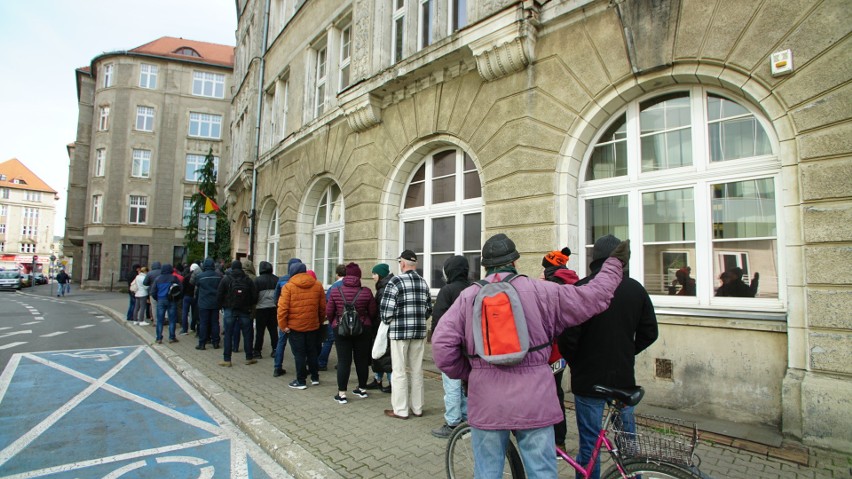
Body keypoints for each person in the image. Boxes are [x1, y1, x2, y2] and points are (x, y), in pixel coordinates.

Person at [432, 233, 628, 478]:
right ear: (514, 262)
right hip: (535, 401)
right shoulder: (543, 290)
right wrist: (614, 264)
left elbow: (441, 347)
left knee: (487, 472)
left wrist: (471, 372)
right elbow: (595, 297)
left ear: (485, 266)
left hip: (486, 400)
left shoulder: (467, 298)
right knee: (541, 472)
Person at [557, 234, 658, 479]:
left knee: (590, 444)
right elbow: (650, 332)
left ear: (595, 259)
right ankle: (633, 475)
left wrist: (578, 361)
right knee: (627, 442)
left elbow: (567, 337)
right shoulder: (635, 289)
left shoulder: (582, 288)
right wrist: (626, 350)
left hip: (588, 380)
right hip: (623, 379)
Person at [379, 250, 432, 420]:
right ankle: (417, 408)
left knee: (399, 371)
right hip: (418, 332)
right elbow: (428, 310)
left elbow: (386, 312)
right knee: (417, 370)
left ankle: (401, 410)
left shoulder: (395, 281)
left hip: (400, 332)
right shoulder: (423, 283)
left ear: (402, 263)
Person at [541, 247, 579, 451]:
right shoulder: (574, 280)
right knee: (557, 393)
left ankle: (556, 442)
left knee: (550, 394)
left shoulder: (552, 285)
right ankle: (559, 441)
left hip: (553, 350)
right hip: (566, 350)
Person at [429, 255, 471, 438]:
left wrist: (435, 343)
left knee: (452, 384)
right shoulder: (473, 288)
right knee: (466, 384)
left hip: (452, 347)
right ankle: (467, 419)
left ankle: (453, 423)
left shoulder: (447, 290)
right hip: (470, 346)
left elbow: (439, 320)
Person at [326, 262, 377, 404]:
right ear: (359, 276)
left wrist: (334, 323)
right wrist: (365, 320)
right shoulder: (366, 292)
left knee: (344, 361)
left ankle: (342, 394)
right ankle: (362, 389)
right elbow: (373, 312)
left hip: (341, 329)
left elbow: (329, 312)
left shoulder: (336, 291)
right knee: (361, 360)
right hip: (363, 329)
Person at [278, 261, 326, 389]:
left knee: (299, 354)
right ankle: (315, 377)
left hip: (295, 327)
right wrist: (319, 321)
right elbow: (322, 308)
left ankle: (301, 381)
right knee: (312, 352)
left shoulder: (288, 287)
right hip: (313, 325)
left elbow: (282, 309)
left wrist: (283, 326)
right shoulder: (317, 285)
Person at [217, 260, 259, 367]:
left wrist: (223, 305)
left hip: (230, 309)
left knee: (228, 334)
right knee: (247, 334)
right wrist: (249, 304)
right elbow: (255, 296)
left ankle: (227, 359)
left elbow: (219, 294)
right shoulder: (248, 280)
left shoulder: (226, 279)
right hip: (245, 310)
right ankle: (249, 357)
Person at [272, 258, 303, 377]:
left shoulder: (282, 279)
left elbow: (276, 298)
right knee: (297, 343)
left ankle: (277, 367)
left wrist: (280, 310)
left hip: (284, 315)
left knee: (281, 342)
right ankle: (300, 368)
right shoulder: (301, 281)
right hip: (297, 316)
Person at [366, 263, 393, 392]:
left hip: (383, 327)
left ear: (380, 275)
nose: (372, 277)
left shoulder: (384, 289)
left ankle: (392, 383)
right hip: (381, 326)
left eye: (374, 274)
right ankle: (378, 380)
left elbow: (382, 311)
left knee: (384, 356)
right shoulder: (383, 286)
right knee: (380, 355)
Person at [318, 264, 346, 371]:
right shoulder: (351, 284)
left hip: (335, 317)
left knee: (329, 340)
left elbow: (328, 304)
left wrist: (327, 317)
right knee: (343, 341)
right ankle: (342, 362)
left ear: (337, 274)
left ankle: (322, 363)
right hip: (348, 318)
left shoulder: (333, 287)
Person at [193, 258, 222, 350]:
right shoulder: (219, 276)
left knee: (203, 323)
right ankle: (216, 342)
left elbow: (196, 284)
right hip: (215, 303)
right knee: (215, 323)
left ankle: (202, 343)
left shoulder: (200, 276)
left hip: (203, 303)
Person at [253, 261, 279, 359]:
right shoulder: (277, 279)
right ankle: (275, 350)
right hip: (273, 308)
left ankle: (257, 351)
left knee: (260, 331)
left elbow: (254, 296)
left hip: (261, 308)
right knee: (273, 330)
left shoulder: (257, 280)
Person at [152, 264, 182, 344]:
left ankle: (159, 338)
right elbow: (180, 289)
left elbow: (153, 292)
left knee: (160, 320)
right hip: (171, 300)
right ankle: (172, 337)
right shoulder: (173, 278)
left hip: (161, 300)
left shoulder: (157, 279)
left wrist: (157, 298)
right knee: (172, 320)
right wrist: (177, 298)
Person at [181, 263, 200, 335]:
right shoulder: (198, 276)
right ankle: (193, 326)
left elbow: (183, 288)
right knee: (194, 312)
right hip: (194, 297)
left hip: (187, 296)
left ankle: (184, 328)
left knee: (185, 312)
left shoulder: (186, 277)